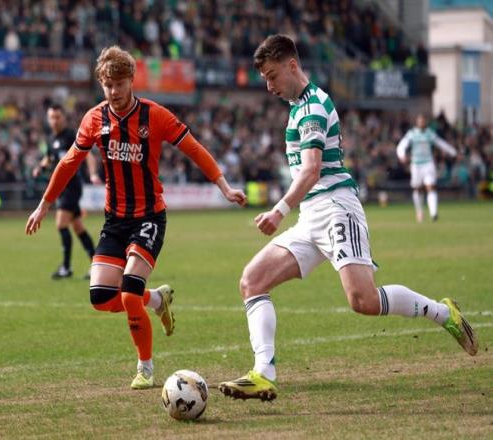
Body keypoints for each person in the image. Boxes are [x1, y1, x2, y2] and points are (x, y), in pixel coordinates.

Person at [218, 35, 478, 402]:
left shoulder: (313, 107)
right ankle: (264, 373)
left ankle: (442, 313)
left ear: (292, 66)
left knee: (363, 300)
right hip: (312, 216)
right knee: (252, 281)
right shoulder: (297, 107)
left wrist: (279, 210)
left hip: (337, 209)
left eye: (272, 76)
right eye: (265, 79)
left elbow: (311, 171)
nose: (269, 86)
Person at [26, 46, 246, 389]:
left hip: (149, 217)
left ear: (131, 80)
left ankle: (145, 367)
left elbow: (193, 148)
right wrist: (44, 204)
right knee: (101, 298)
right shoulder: (93, 119)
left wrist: (224, 186)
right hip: (115, 220)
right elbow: (68, 163)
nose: (113, 91)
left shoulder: (155, 116)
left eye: (119, 84)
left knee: (129, 293)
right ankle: (157, 299)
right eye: (107, 85)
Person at [32, 104, 99, 279]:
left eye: (58, 117)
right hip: (61, 188)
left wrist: (92, 174)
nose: (54, 121)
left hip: (71, 186)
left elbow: (89, 155)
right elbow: (49, 158)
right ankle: (97, 264)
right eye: (51, 117)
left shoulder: (71, 135)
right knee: (78, 227)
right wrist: (40, 167)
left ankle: (66, 267)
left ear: (64, 118)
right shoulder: (51, 139)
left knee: (61, 224)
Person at [396, 113, 457, 222]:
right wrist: (402, 155)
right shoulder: (412, 134)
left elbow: (441, 143)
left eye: (423, 121)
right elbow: (401, 145)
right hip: (416, 165)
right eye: (420, 121)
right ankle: (419, 211)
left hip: (428, 164)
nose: (422, 123)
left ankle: (434, 213)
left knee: (430, 187)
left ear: (425, 122)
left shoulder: (430, 133)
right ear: (417, 122)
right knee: (417, 189)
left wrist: (453, 152)